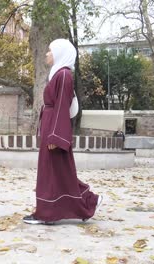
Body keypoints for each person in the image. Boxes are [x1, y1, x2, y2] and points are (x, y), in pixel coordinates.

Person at [23, 39, 103, 225]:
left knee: (54, 172)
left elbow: (61, 107)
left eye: (50, 51)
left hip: (54, 130)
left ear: (59, 53)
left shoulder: (64, 75)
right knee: (58, 173)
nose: (46, 54)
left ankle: (47, 213)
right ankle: (88, 201)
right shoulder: (59, 74)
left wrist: (56, 136)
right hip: (50, 126)